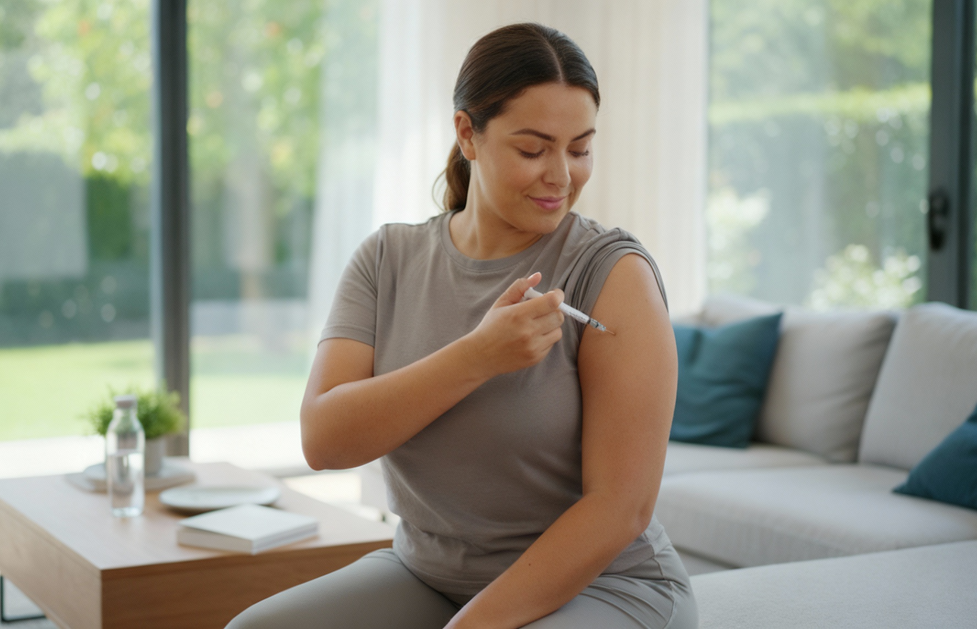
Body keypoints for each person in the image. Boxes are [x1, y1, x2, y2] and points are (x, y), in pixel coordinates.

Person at [227, 22, 697, 629]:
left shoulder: (613, 274)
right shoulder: (387, 260)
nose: (561, 175)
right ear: (467, 134)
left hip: (605, 586)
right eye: (534, 149)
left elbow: (621, 508)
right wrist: (479, 355)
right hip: (427, 574)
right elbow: (324, 440)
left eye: (580, 149)